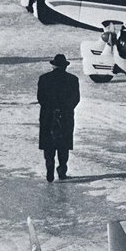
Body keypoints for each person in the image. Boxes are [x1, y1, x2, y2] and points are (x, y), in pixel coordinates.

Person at [37, 53, 81, 181]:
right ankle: (62, 170)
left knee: (48, 145)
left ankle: (49, 168)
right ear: (65, 66)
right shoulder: (73, 79)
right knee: (63, 146)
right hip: (66, 116)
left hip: (47, 116)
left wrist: (51, 109)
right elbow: (76, 99)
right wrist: (65, 109)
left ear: (53, 66)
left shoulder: (44, 78)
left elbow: (41, 98)